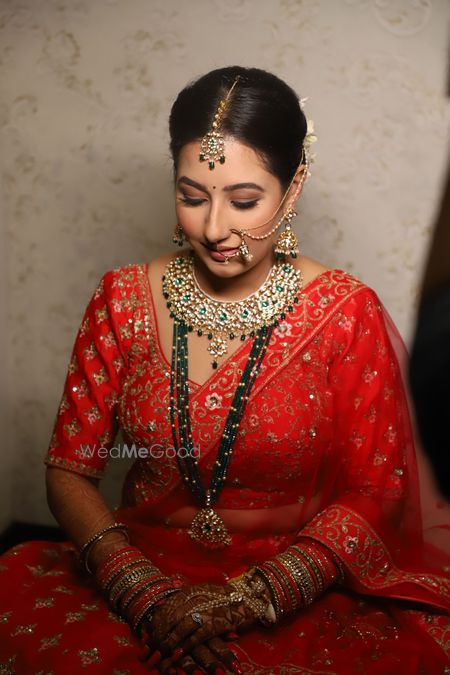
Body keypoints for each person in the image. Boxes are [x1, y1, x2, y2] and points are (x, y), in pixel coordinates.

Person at [0, 66, 449, 675]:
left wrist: (252, 598)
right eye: (192, 197)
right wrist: (141, 592)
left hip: (297, 585)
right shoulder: (123, 299)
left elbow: (377, 491)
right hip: (138, 572)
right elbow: (69, 471)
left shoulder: (345, 313)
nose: (214, 230)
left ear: (293, 187)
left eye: (243, 202)